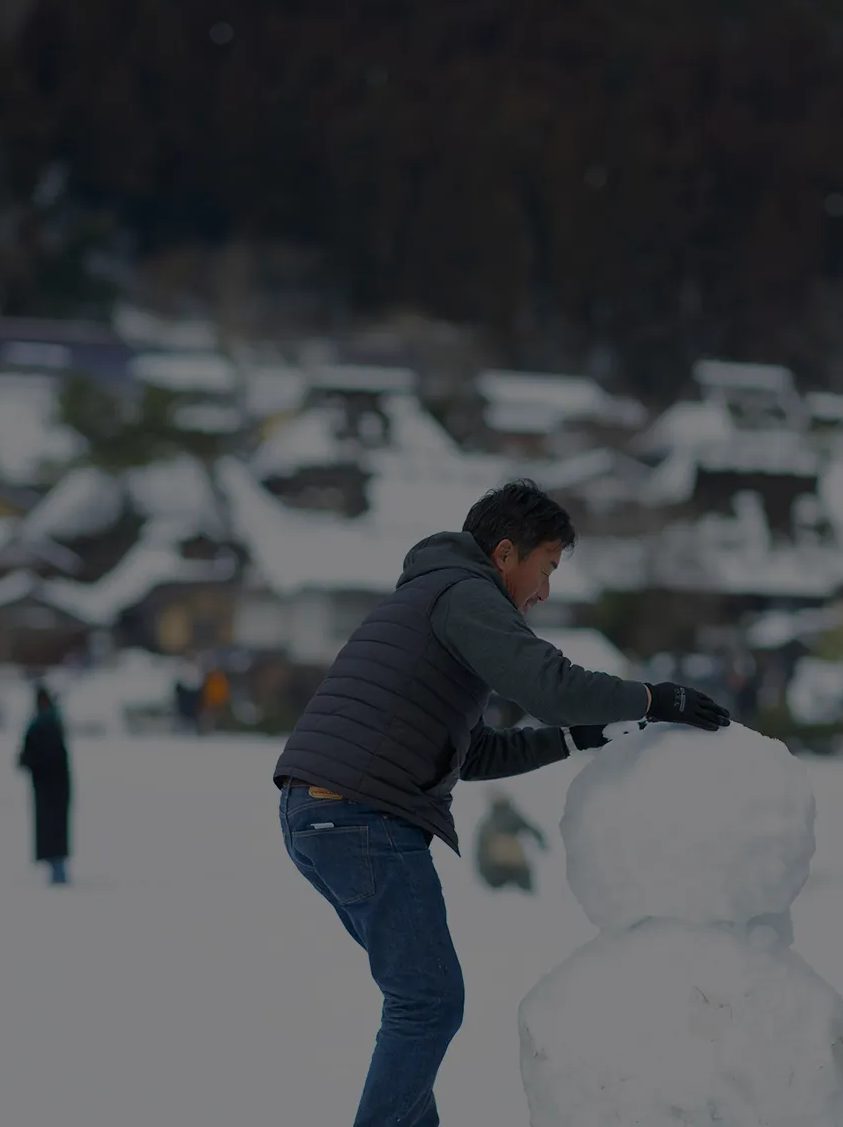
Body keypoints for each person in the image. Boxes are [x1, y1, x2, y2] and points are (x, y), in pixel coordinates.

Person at [271, 479, 730, 1127]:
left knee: (417, 1004)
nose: (544, 593)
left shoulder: (435, 597)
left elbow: (474, 752)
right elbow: (549, 684)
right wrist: (656, 698)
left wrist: (579, 736)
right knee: (428, 1004)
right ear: (506, 553)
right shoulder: (465, 593)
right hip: (358, 818)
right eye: (545, 570)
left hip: (323, 814)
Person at [18, 684, 73, 886]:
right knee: (54, 834)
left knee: (53, 834)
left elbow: (42, 755)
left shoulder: (45, 724)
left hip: (50, 789)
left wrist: (28, 759)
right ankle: (58, 873)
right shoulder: (48, 722)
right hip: (51, 788)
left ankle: (59, 876)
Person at [474, 792, 548, 893]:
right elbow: (481, 848)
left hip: (510, 860)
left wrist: (541, 840)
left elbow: (530, 828)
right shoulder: (490, 823)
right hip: (502, 862)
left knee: (521, 885)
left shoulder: (499, 820)